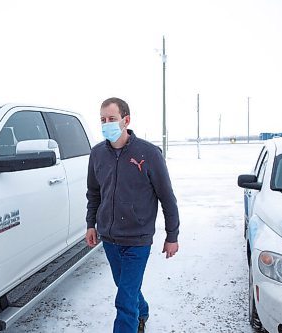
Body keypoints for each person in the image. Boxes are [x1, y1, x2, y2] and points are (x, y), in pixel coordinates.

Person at [85, 97, 180, 333]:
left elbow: (167, 198)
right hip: (109, 238)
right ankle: (143, 310)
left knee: (124, 300)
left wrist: (172, 235)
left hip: (138, 239)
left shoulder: (148, 153)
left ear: (126, 120)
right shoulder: (97, 154)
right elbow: (94, 193)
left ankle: (131, 322)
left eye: (112, 119)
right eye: (103, 120)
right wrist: (91, 224)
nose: (106, 123)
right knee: (126, 287)